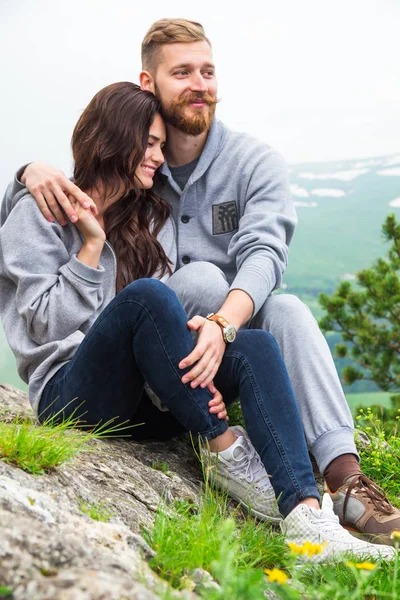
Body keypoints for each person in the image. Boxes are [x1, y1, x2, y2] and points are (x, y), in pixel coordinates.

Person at [5, 19, 400, 546]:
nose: (155, 156)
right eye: (183, 72)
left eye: (208, 70)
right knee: (157, 293)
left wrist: (215, 326)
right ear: (146, 88)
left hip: (164, 378)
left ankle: (313, 514)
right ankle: (222, 445)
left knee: (266, 332)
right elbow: (46, 315)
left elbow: (263, 252)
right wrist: (66, 219)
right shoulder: (57, 209)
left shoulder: (160, 206)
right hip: (76, 390)